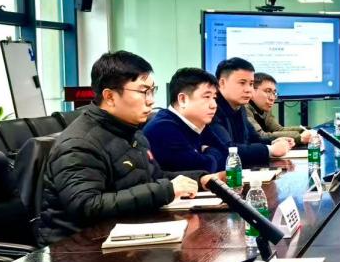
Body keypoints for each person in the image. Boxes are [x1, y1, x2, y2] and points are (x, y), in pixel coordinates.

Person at [39, 51, 216, 246]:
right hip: (80, 250)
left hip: (124, 236)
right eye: (143, 91)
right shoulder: (79, 143)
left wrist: (200, 179)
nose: (151, 100)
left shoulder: (133, 133)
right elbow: (87, 205)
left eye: (152, 91)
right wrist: (166, 190)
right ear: (110, 96)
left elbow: (153, 177)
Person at [144, 67, 230, 173]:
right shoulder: (163, 128)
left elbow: (228, 157)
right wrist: (211, 151)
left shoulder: (198, 123)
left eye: (214, 98)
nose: (214, 105)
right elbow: (201, 169)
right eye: (207, 97)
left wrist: (207, 154)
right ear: (183, 100)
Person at [209, 57, 292, 166]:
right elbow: (227, 150)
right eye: (242, 83)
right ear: (222, 83)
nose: (248, 89)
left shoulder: (240, 107)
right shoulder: (211, 109)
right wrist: (270, 150)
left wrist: (273, 142)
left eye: (251, 84)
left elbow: (254, 138)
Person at [246, 72, 313, 145]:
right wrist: (299, 137)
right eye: (268, 91)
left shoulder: (264, 107)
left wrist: (304, 130)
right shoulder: (244, 108)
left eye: (274, 93)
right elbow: (260, 136)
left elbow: (278, 129)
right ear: (252, 91)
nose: (272, 98)